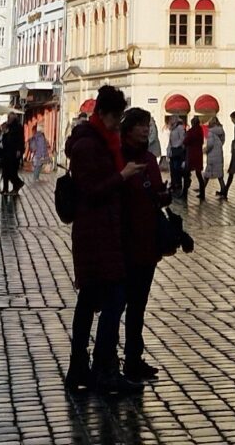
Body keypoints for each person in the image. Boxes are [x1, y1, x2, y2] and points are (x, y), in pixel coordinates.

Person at [66, 87, 143, 396]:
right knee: (113, 299)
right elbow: (91, 190)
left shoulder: (104, 140)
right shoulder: (87, 144)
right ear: (103, 114)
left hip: (105, 229)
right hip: (93, 231)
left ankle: (81, 367)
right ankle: (100, 367)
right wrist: (122, 176)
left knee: (90, 300)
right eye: (115, 117)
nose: (117, 124)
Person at [119, 107, 170, 383]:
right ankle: (107, 358)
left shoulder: (150, 159)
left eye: (147, 125)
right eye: (140, 125)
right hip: (123, 241)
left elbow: (155, 196)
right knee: (117, 304)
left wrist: (163, 196)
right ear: (128, 129)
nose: (145, 129)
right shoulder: (117, 157)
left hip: (147, 242)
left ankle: (133, 358)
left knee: (138, 304)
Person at [165, 113, 190, 201]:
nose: (170, 121)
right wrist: (168, 150)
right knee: (173, 170)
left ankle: (178, 186)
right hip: (173, 151)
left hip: (178, 151)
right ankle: (174, 185)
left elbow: (182, 138)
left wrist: (177, 145)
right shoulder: (173, 128)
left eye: (171, 119)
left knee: (177, 169)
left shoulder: (179, 127)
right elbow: (170, 140)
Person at [199, 115, 224, 201]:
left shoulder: (211, 132)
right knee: (220, 175)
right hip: (219, 153)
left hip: (212, 155)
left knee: (207, 174)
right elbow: (222, 141)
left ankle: (202, 192)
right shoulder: (221, 130)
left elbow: (210, 144)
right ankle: (224, 191)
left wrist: (204, 150)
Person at [0, 115, 26, 197]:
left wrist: (19, 150)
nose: (8, 119)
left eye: (9, 118)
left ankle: (18, 185)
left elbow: (20, 139)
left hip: (13, 152)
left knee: (12, 171)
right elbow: (5, 138)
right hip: (7, 152)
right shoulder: (8, 127)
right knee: (5, 172)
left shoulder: (18, 127)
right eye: (8, 118)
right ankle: (5, 188)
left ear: (13, 118)